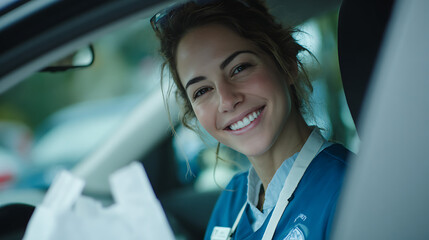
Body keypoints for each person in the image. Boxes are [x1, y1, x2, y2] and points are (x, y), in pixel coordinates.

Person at [150, 0, 350, 239]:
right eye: (202, 91)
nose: (226, 100)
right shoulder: (231, 203)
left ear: (287, 63)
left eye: (239, 68)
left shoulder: (349, 188)